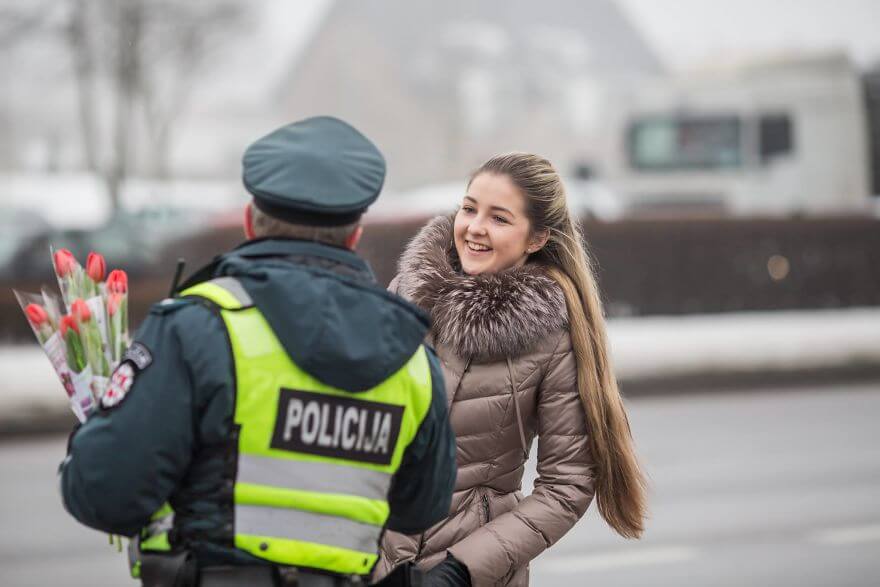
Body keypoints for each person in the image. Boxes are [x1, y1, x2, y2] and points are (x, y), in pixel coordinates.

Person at [59, 116, 457, 587]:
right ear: (354, 233)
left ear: (250, 221)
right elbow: (422, 507)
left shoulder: (196, 327)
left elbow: (103, 493)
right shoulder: (412, 357)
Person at [374, 153, 649, 586]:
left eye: (499, 218)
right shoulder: (404, 296)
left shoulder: (552, 337)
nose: (475, 228)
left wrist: (460, 570)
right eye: (469, 208)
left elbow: (567, 485)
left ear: (536, 238)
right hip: (371, 565)